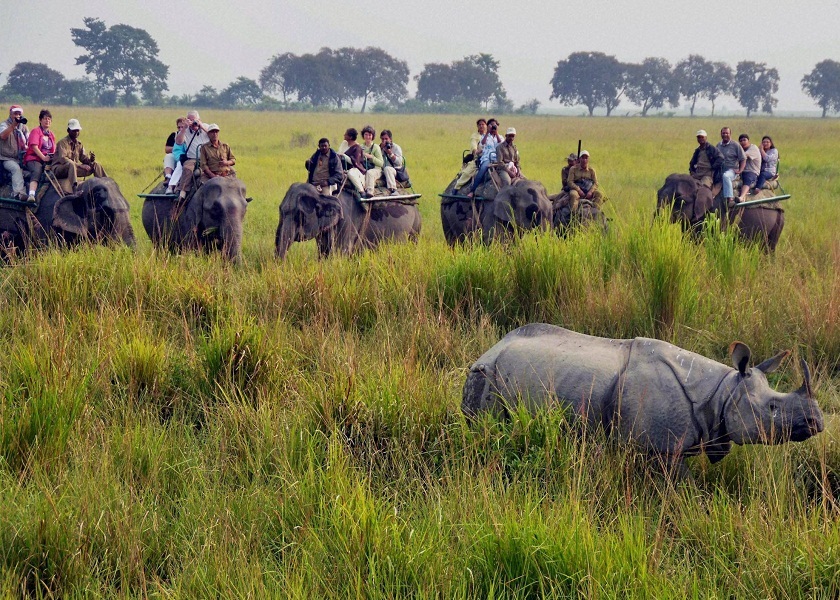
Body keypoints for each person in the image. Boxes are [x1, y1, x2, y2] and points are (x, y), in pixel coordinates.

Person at [53, 118, 108, 193]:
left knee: (95, 164)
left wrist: (91, 160)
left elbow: (84, 158)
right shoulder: (62, 143)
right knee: (71, 164)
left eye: (77, 130)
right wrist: (80, 165)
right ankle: (75, 188)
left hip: (73, 169)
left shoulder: (79, 144)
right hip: (60, 169)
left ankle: (106, 183)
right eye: (74, 130)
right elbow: (63, 159)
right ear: (68, 131)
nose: (76, 132)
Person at [174, 110, 210, 200]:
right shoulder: (185, 130)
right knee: (187, 168)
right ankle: (183, 191)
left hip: (208, 158)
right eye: (190, 120)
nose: (193, 123)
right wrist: (184, 128)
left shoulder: (206, 127)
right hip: (192, 158)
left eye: (194, 120)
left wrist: (200, 126)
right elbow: (178, 142)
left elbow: (214, 136)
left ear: (199, 119)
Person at [22, 109, 56, 202]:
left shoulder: (51, 135)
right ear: (40, 120)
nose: (47, 121)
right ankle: (31, 194)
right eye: (45, 119)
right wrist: (44, 158)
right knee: (37, 170)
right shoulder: (35, 131)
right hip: (34, 158)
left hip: (47, 159)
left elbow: (54, 149)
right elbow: (34, 147)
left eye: (49, 119)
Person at [467, 118, 503, 198]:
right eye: (491, 125)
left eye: (495, 125)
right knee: (483, 169)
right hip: (487, 158)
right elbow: (483, 143)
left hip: (498, 159)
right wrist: (487, 132)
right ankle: (473, 190)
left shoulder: (500, 136)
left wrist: (496, 133)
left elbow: (501, 144)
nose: (493, 127)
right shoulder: (484, 136)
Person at [0, 105, 29, 201]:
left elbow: (29, 140)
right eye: (15, 114)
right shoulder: (4, 124)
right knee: (16, 169)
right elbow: (3, 136)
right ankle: (19, 193)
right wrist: (13, 126)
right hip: (6, 158)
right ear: (10, 114)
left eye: (19, 114)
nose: (17, 116)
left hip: (22, 158)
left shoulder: (23, 127)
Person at [454, 118, 487, 190]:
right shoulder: (474, 136)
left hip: (489, 158)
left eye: (483, 124)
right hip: (477, 158)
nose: (481, 126)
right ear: (477, 126)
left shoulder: (489, 136)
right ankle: (457, 187)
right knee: (467, 173)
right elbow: (473, 147)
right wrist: (477, 151)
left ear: (486, 126)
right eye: (479, 125)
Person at [716, 127, 745, 206]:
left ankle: (730, 198)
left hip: (732, 170)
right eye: (723, 133)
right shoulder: (719, 145)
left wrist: (740, 170)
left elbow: (743, 159)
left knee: (726, 176)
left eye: (727, 133)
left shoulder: (735, 145)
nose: (725, 135)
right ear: (721, 134)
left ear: (730, 134)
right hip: (720, 170)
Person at [340, 128, 369, 197]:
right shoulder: (344, 143)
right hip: (343, 168)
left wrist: (344, 156)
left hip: (356, 169)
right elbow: (339, 153)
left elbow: (356, 163)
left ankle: (361, 191)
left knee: (351, 173)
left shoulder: (357, 148)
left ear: (350, 137)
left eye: (346, 134)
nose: (344, 135)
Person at [379, 129, 409, 194]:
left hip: (395, 170)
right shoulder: (379, 148)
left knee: (387, 169)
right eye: (382, 139)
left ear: (390, 139)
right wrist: (381, 149)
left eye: (386, 139)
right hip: (382, 170)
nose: (384, 141)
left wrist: (390, 153)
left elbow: (399, 162)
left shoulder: (396, 147)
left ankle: (393, 190)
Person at [359, 125, 384, 197]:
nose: (367, 137)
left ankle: (369, 192)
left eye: (369, 135)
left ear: (372, 136)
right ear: (363, 136)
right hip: (364, 168)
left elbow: (381, 163)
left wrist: (371, 157)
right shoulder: (361, 147)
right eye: (366, 134)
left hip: (376, 170)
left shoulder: (376, 147)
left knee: (370, 173)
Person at [166, 118, 188, 193]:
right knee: (170, 157)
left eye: (182, 127)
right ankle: (169, 178)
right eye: (179, 127)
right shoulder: (175, 135)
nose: (180, 129)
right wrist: (176, 147)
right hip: (179, 156)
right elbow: (167, 149)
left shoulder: (190, 135)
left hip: (189, 157)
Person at [737, 133, 760, 202]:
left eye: (744, 140)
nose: (743, 142)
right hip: (742, 171)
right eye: (741, 141)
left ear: (748, 141)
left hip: (752, 171)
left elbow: (743, 156)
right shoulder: (741, 150)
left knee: (748, 179)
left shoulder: (753, 148)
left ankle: (741, 197)